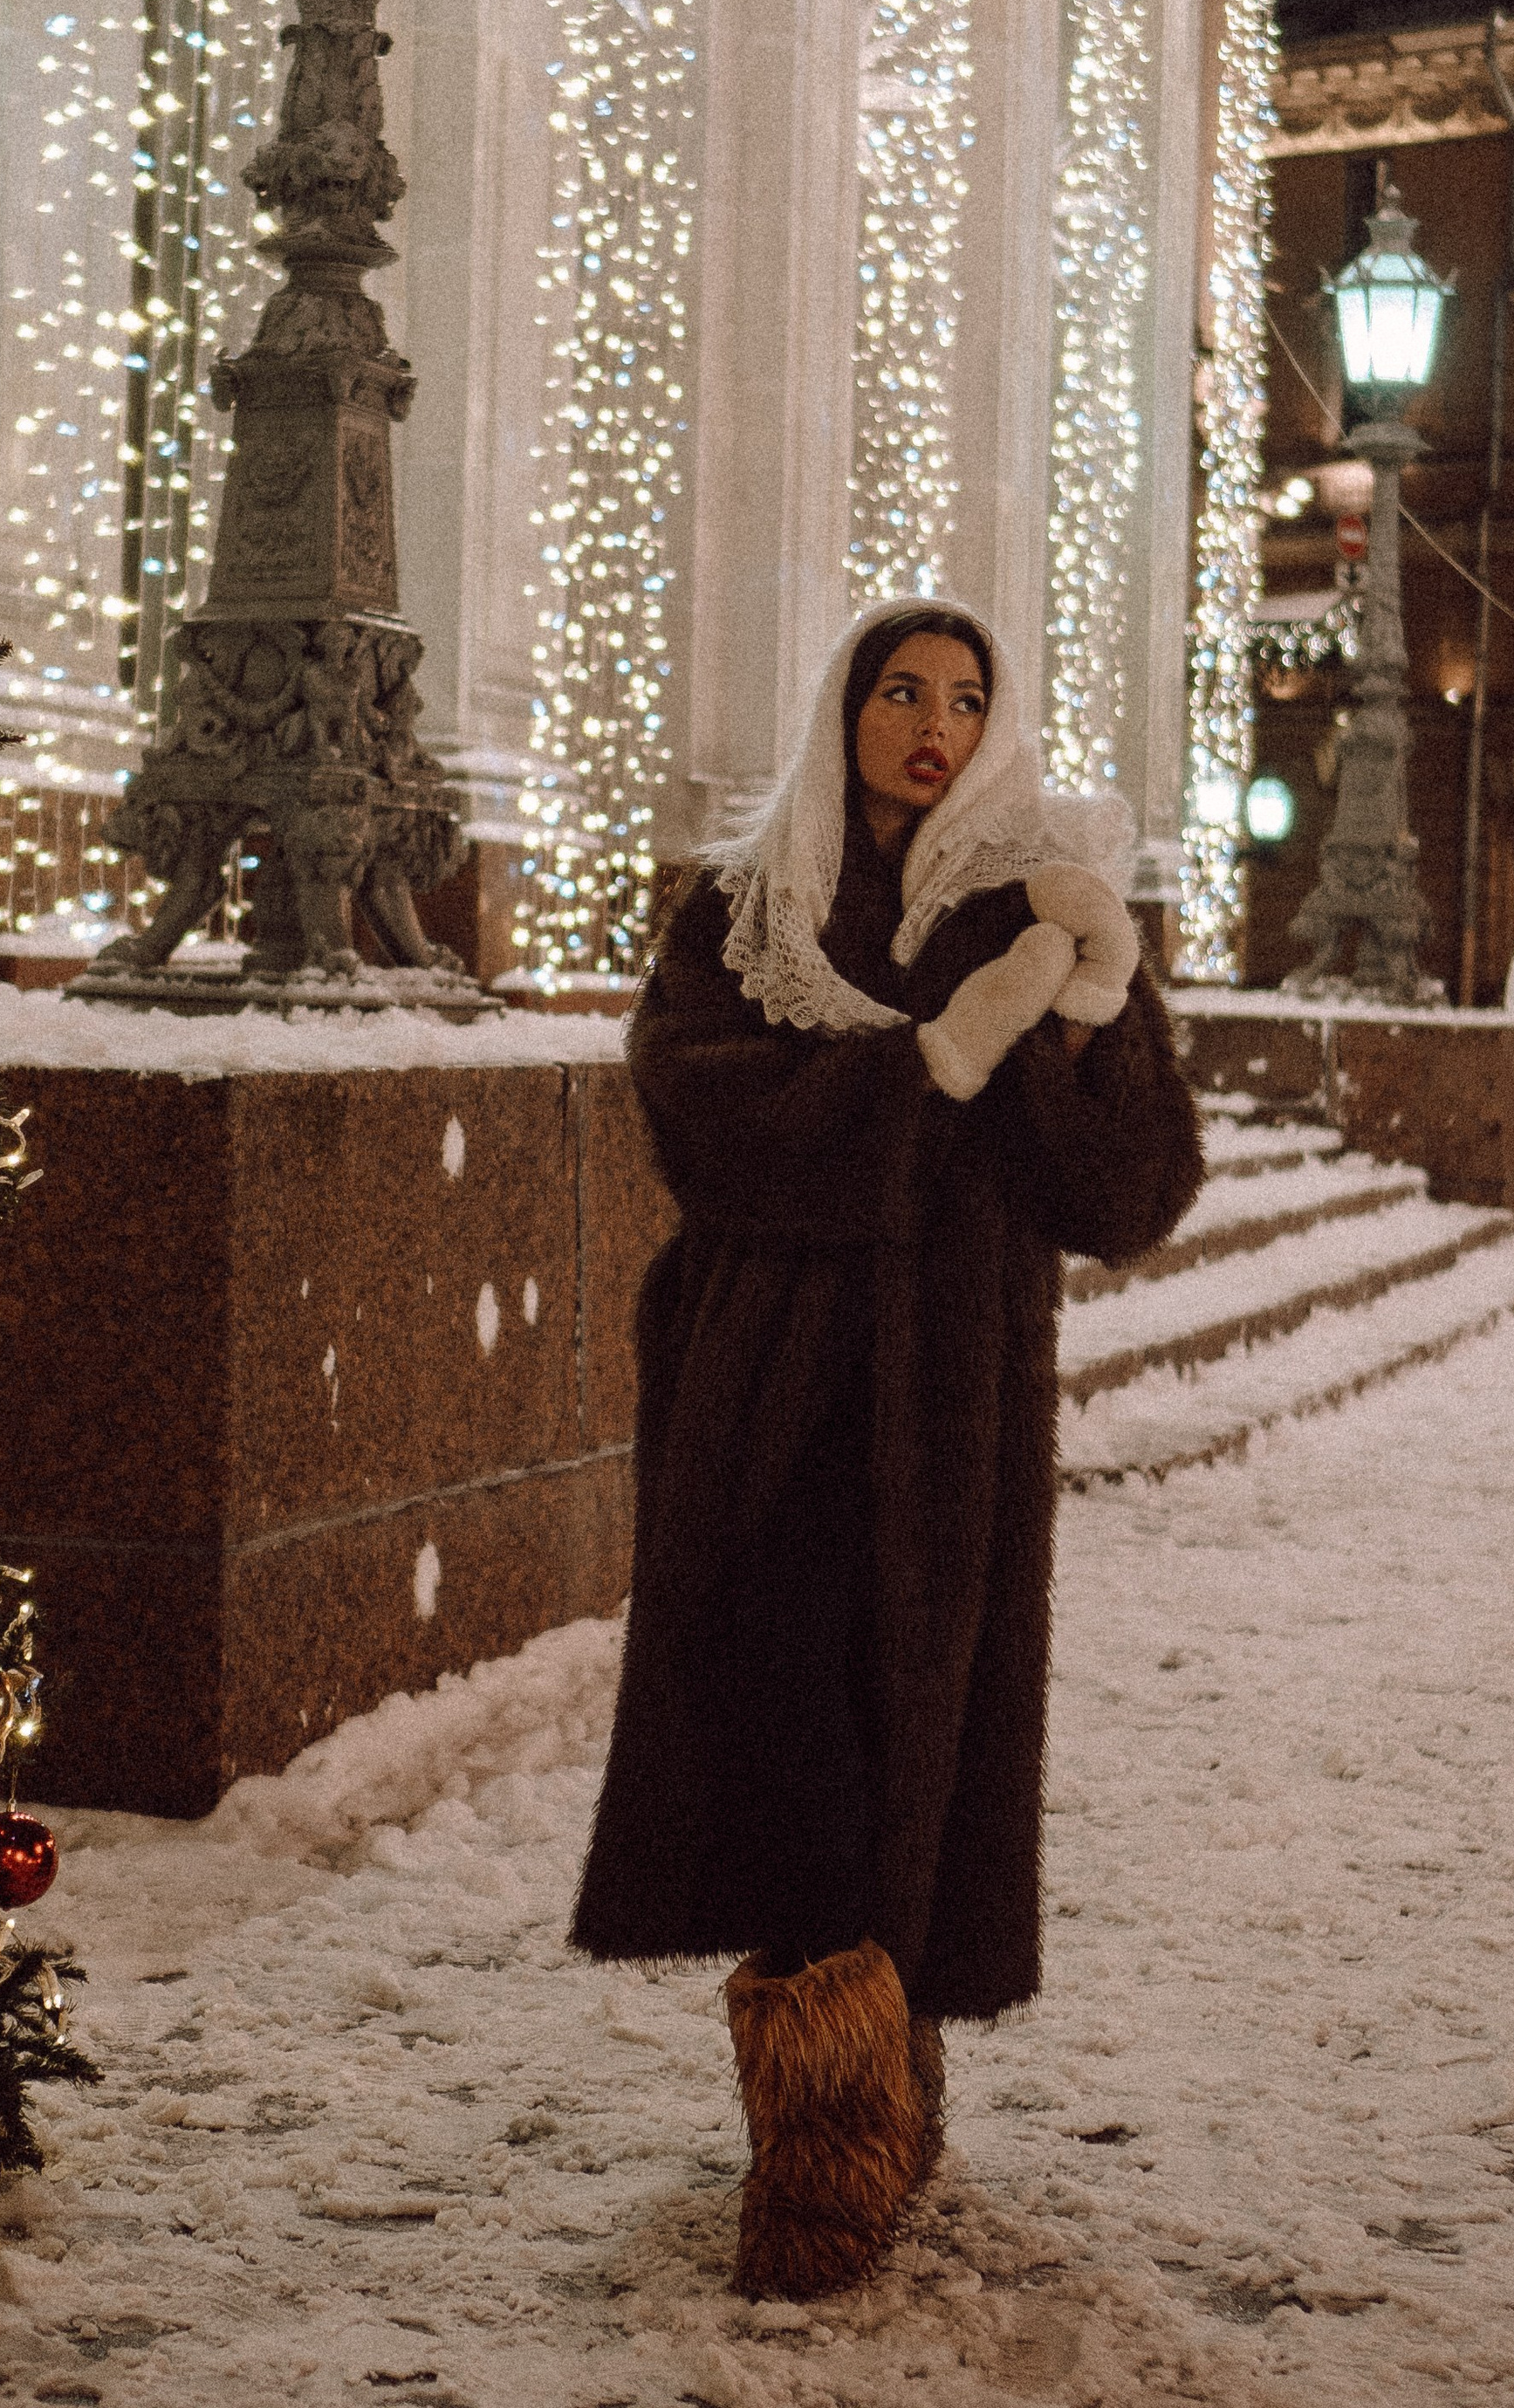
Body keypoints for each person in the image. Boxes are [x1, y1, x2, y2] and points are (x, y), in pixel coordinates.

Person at [571, 598, 1203, 2299]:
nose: (931, 721)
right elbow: (698, 1112)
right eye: (899, 689)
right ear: (840, 706)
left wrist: (1087, 1009)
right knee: (786, 1738)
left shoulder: (1031, 906)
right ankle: (821, 2137)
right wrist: (930, 1059)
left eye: (965, 697)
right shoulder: (741, 906)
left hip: (944, 1409)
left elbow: (1123, 1194)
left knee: (910, 1747)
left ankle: (870, 2097)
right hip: (761, 1386)